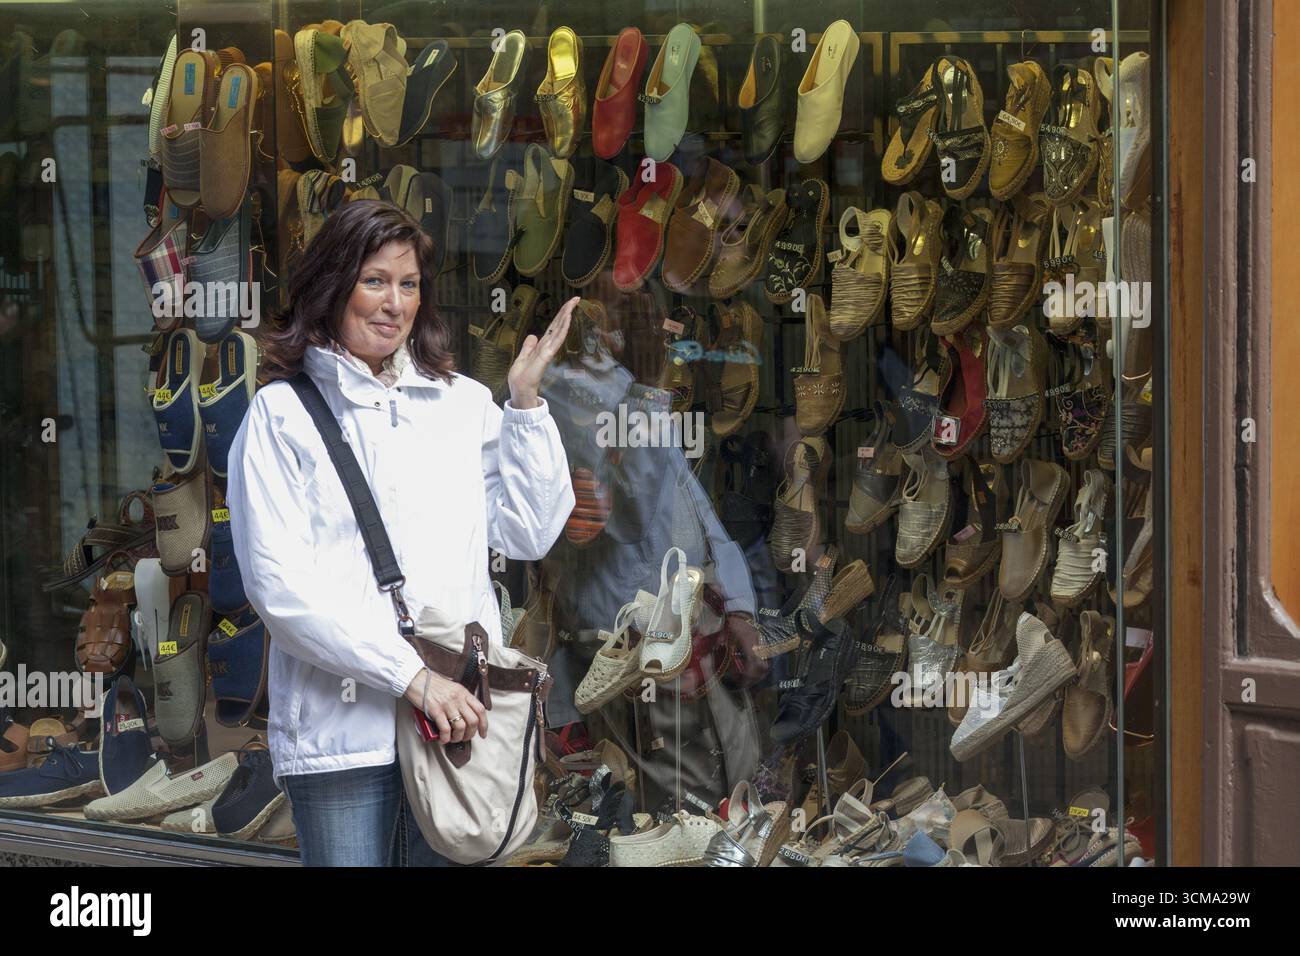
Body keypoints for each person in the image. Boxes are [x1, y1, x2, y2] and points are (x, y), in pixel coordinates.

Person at [226, 200, 576, 866]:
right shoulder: (281, 417)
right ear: (332, 286)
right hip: (343, 737)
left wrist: (526, 404)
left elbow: (530, 531)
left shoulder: (462, 403)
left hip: (455, 726)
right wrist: (411, 678)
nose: (393, 302)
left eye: (408, 284)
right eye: (375, 280)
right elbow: (281, 592)